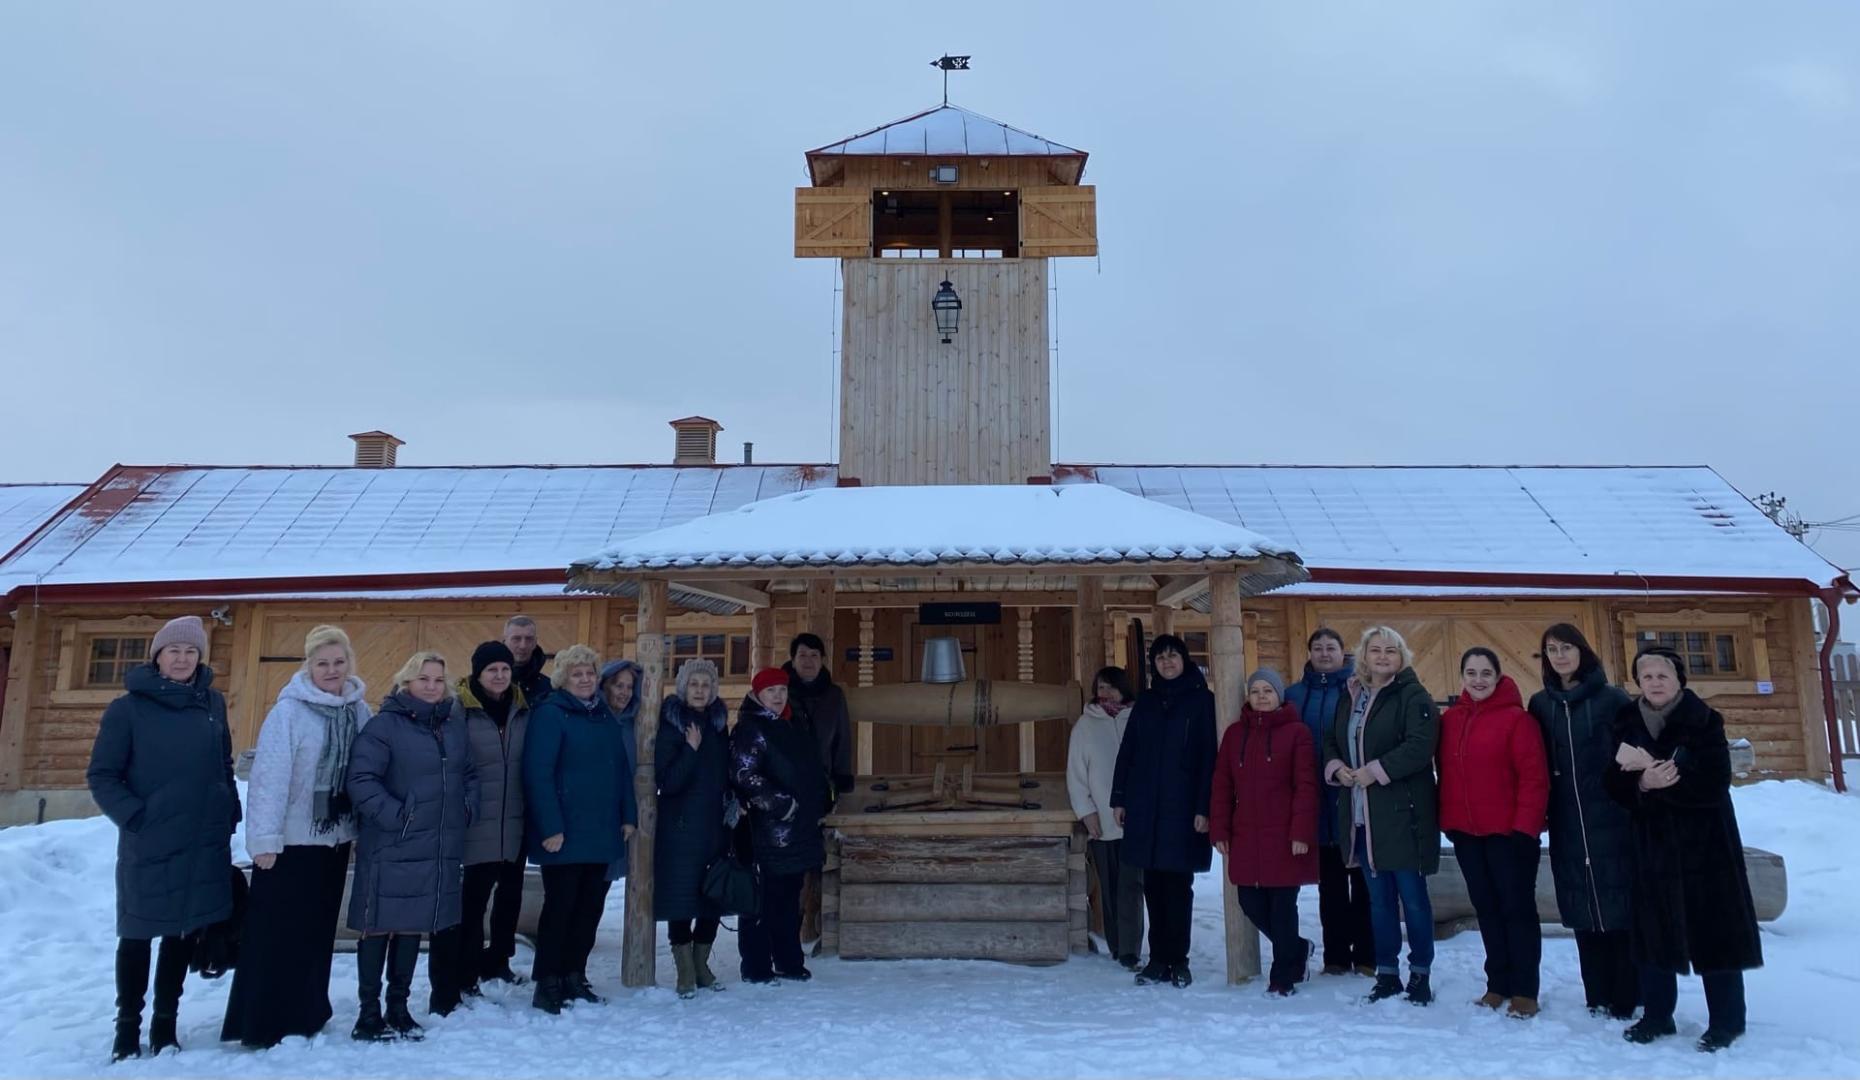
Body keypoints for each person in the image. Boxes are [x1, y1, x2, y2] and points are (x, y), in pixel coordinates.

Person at [87, 616, 240, 1062]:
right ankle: (126, 1029)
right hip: (150, 840)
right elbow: (102, 775)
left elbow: (223, 762)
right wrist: (135, 817)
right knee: (137, 934)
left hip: (202, 838)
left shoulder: (212, 701)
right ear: (157, 656)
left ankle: (165, 1027)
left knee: (182, 934)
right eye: (174, 650)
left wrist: (229, 808)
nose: (183, 658)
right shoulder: (128, 708)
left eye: (191, 651)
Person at [1605, 647, 1763, 1052]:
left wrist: (1666, 784)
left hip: (1704, 848)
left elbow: (1714, 783)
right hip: (1651, 846)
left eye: (1662, 675)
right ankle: (1657, 1016)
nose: (1654, 683)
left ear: (1678, 681)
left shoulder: (1703, 721)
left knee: (1715, 934)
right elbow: (1611, 781)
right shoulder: (1625, 721)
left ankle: (1727, 1022)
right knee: (1654, 934)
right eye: (1647, 677)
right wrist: (1640, 786)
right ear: (1637, 683)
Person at [221, 625, 369, 1050]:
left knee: (317, 930)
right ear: (308, 665)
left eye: (338, 662)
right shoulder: (290, 713)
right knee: (276, 933)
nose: (331, 670)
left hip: (335, 841)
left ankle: (307, 1011)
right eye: (322, 663)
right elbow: (269, 779)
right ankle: (263, 1020)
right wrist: (264, 840)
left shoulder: (359, 712)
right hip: (289, 844)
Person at [345, 652, 478, 1042]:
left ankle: (398, 1008)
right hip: (392, 844)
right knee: (378, 926)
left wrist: (466, 806)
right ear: (406, 683)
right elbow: (362, 779)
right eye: (423, 679)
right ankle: (368, 1014)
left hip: (435, 843)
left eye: (438, 680)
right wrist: (397, 816)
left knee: (410, 927)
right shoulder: (384, 726)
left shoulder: (452, 726)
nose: (432, 686)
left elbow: (468, 773)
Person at [1323, 625, 1440, 1005]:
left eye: (1391, 650)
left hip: (1401, 814)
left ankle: (1419, 972)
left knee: (1413, 899)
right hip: (1363, 816)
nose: (1383, 657)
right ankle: (1387, 972)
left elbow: (1420, 747)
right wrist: (1338, 766)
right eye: (1376, 651)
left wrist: (1375, 770)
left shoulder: (1412, 695)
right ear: (1364, 656)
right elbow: (1331, 739)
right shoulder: (1352, 695)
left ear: (1402, 656)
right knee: (1379, 902)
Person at [1527, 623, 1638, 1019]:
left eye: (1566, 648)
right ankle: (1597, 995)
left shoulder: (1613, 700)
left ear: (1583, 651)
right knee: (1580, 904)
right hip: (1566, 819)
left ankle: (1627, 994)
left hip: (1612, 815)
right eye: (1551, 649)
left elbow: (1633, 757)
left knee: (1619, 902)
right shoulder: (1541, 704)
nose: (1559, 656)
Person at [523, 645, 636, 1014]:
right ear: (563, 679)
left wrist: (628, 815)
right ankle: (547, 981)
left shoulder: (603, 716)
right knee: (561, 909)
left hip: (601, 829)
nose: (585, 679)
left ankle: (574, 975)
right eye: (577, 674)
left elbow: (622, 770)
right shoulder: (551, 714)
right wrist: (550, 826)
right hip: (565, 832)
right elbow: (538, 773)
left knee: (590, 909)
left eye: (589, 672)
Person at [1438, 648, 1550, 1017]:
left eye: (1486, 673)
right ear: (1462, 677)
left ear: (1499, 676)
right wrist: (1450, 822)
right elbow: (1448, 775)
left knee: (1516, 910)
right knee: (1487, 909)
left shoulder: (1518, 720)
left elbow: (1534, 779)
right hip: (1468, 835)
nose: (1478, 680)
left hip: (1510, 835)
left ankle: (1524, 990)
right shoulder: (1452, 720)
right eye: (1471, 673)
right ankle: (1497, 983)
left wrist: (1525, 829)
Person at [1110, 634, 1217, 988]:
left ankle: (1179, 959)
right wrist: (1119, 797)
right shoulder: (1147, 702)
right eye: (1160, 658)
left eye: (1172, 656)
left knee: (1179, 886)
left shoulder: (1203, 702)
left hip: (1183, 807)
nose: (1166, 662)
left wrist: (1204, 806)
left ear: (1184, 660)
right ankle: (1157, 959)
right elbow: (1128, 751)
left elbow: (1208, 758)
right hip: (1146, 806)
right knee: (1152, 885)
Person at [1211, 668, 1318, 996]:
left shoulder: (1297, 733)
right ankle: (1298, 948)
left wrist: (1301, 832)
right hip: (1247, 834)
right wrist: (1220, 828)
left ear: (1279, 696)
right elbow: (1222, 784)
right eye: (1255, 691)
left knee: (1283, 908)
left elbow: (1306, 786)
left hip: (1284, 835)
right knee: (1250, 902)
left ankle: (1283, 976)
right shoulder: (1234, 735)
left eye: (1267, 691)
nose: (1261, 696)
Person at [731, 667, 832, 985]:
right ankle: (756, 965)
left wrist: (822, 798)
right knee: (762, 900)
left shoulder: (793, 724)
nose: (777, 696)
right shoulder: (751, 728)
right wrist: (780, 803)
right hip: (767, 829)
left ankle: (788, 960)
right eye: (770, 690)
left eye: (782, 690)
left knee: (789, 898)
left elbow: (810, 767)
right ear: (757, 694)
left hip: (799, 829)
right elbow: (744, 775)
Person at [1285, 627, 1374, 976]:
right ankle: (1336, 956)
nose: (1324, 654)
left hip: (1355, 799)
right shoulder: (1293, 695)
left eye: (1331, 648)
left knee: (1364, 882)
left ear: (1343, 653)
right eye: (1318, 648)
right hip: (1317, 804)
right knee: (1330, 885)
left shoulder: (1360, 691)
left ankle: (1367, 955)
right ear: (1309, 654)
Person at [450, 641, 532, 1004]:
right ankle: (464, 971)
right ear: (477, 674)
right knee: (473, 902)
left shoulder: (522, 708)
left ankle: (499, 961)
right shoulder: (461, 711)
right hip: (477, 820)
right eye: (491, 670)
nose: (499, 676)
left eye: (504, 669)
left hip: (513, 819)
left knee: (510, 898)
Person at [655, 658, 732, 998]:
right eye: (694, 684)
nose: (700, 690)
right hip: (681, 825)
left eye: (706, 685)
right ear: (683, 687)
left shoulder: (718, 724)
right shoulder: (672, 724)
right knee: (682, 897)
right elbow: (667, 781)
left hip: (715, 824)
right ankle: (684, 968)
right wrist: (689, 749)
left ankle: (702, 963)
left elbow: (726, 770)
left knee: (712, 894)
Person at [1067, 666, 1145, 969]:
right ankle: (1116, 942)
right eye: (1101, 687)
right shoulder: (1085, 726)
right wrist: (1087, 814)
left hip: (1134, 820)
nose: (1106, 693)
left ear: (1123, 689)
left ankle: (1130, 949)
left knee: (1132, 885)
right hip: (1101, 820)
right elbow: (1076, 775)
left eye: (1112, 687)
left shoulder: (1137, 720)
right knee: (1109, 887)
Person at [784, 633, 854, 795]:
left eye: (814, 655)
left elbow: (842, 739)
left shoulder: (834, 695)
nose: (808, 660)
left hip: (822, 780)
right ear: (793, 661)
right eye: (802, 655)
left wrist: (841, 780)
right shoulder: (780, 692)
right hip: (786, 781)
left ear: (822, 660)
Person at [599, 659, 645, 889]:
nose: (625, 693)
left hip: (619, 821)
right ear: (605, 686)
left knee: (597, 896)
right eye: (619, 686)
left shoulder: (631, 725)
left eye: (629, 687)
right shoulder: (595, 719)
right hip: (592, 819)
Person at [503, 615, 554, 709]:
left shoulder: (550, 689)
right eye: (516, 639)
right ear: (505, 640)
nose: (523, 645)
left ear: (535, 642)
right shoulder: (488, 684)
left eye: (529, 639)